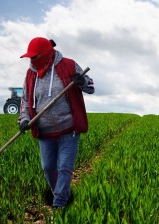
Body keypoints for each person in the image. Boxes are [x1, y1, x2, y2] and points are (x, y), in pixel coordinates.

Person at [18, 37, 95, 208]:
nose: (31, 60)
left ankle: (60, 203)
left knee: (64, 167)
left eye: (35, 56)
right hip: (44, 133)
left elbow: (90, 86)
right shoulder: (30, 74)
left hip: (68, 129)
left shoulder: (68, 65)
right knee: (48, 168)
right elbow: (24, 100)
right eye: (29, 57)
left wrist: (81, 81)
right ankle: (61, 193)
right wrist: (24, 119)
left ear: (47, 54)